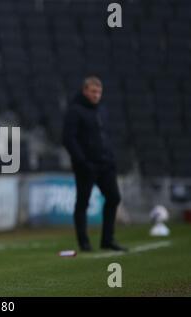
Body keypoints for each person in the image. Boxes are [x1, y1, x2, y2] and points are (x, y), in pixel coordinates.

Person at [63, 76, 127, 252]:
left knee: (114, 198)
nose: (96, 95)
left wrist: (111, 158)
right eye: (93, 91)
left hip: (106, 164)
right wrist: (82, 161)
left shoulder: (102, 110)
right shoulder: (75, 111)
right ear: (85, 91)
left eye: (99, 92)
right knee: (83, 203)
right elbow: (68, 139)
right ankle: (84, 242)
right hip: (86, 166)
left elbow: (105, 136)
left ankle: (107, 239)